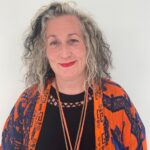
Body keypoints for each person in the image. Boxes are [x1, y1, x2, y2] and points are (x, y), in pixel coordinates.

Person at [1, 2, 147, 150]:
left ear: (88, 44)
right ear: (43, 51)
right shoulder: (28, 103)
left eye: (73, 40)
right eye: (54, 43)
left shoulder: (117, 99)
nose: (64, 53)